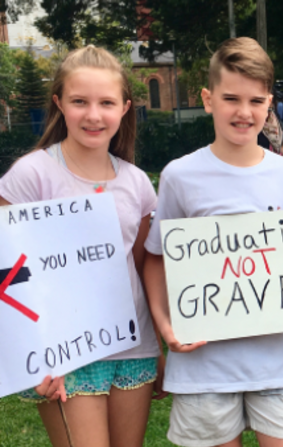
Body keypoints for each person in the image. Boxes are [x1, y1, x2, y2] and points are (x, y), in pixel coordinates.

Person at [143, 37, 283, 447]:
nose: (244, 112)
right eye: (231, 99)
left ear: (269, 104)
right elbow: (157, 259)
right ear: (208, 99)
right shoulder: (180, 175)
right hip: (203, 367)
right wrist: (164, 326)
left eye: (256, 101)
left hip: (275, 365)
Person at [0, 45, 165, 447]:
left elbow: (144, 265)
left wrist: (158, 342)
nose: (93, 115)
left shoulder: (137, 181)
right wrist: (33, 355)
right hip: (63, 354)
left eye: (106, 102)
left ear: (125, 107)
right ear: (59, 103)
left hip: (132, 346)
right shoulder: (32, 174)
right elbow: (7, 274)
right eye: (79, 102)